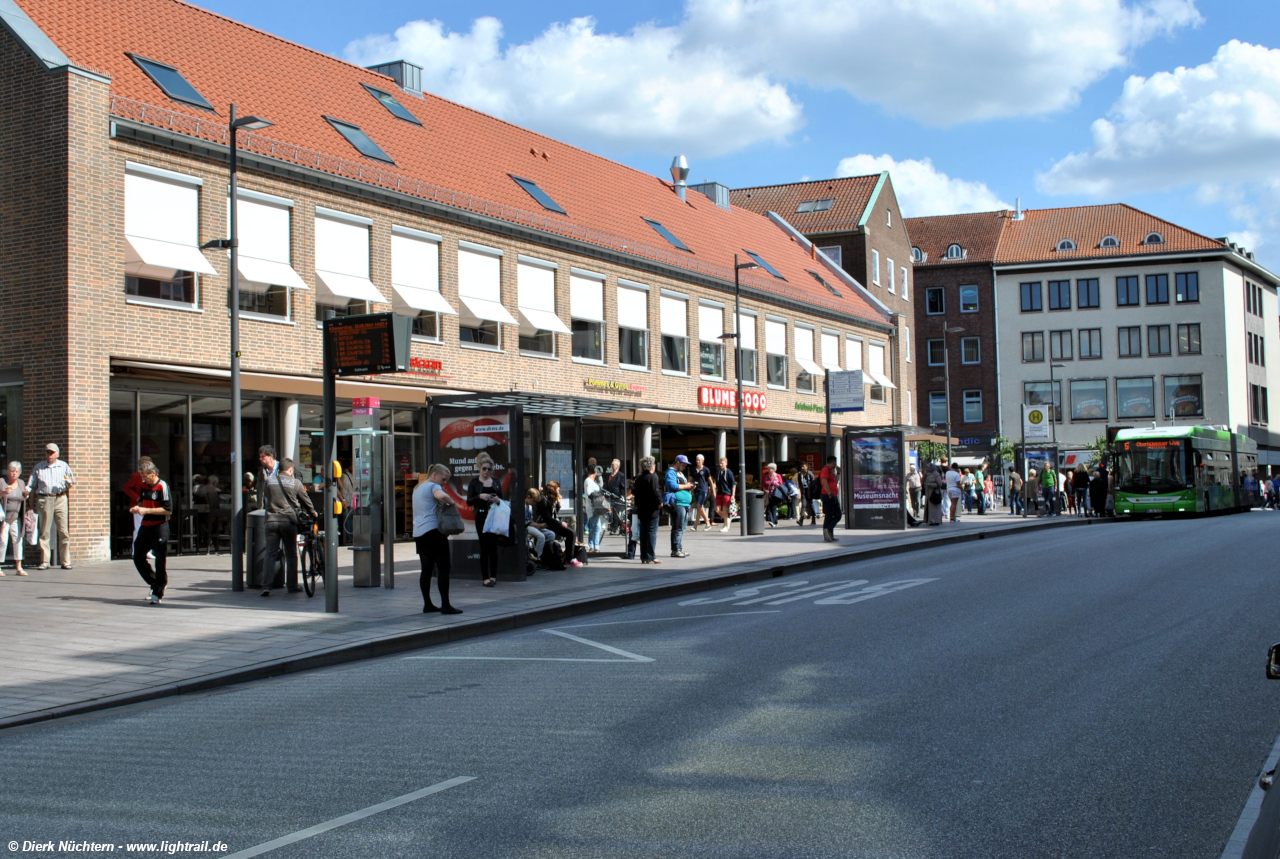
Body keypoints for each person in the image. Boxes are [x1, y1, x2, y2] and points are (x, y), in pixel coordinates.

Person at [256, 451, 316, 596]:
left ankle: (266, 586)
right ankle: (292, 586)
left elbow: (265, 497)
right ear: (290, 470)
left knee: (270, 554)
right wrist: (313, 513)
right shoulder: (296, 483)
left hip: (271, 520)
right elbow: (306, 501)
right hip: (288, 522)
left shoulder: (269, 481)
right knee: (291, 554)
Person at [413, 464, 462, 614]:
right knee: (444, 569)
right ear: (435, 475)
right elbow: (441, 496)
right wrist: (451, 502)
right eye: (443, 479)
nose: (444, 482)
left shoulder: (417, 488)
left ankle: (427, 604)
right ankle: (446, 605)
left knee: (426, 569)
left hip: (419, 533)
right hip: (434, 532)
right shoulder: (433, 486)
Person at [130, 462, 172, 604]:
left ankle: (158, 591)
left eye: (145, 475)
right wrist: (137, 507)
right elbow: (143, 502)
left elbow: (168, 509)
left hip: (159, 526)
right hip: (146, 525)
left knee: (160, 559)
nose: (143, 478)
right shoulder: (143, 486)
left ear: (153, 473)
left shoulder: (162, 486)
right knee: (138, 555)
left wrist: (146, 510)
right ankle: (154, 581)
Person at [28, 443, 75, 570]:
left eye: (52, 452)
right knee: (44, 531)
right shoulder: (39, 467)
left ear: (57, 454)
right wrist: (31, 502)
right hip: (44, 499)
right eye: (48, 452)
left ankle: (65, 561)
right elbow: (32, 485)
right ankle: (44, 561)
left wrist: (69, 484)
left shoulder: (63, 466)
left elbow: (72, 482)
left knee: (63, 530)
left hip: (60, 497)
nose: (50, 455)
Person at [467, 451, 505, 586]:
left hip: (494, 516)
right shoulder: (474, 483)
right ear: (479, 468)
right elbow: (469, 502)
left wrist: (497, 499)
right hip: (481, 516)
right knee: (484, 547)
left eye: (489, 469)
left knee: (493, 548)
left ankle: (494, 575)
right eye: (484, 468)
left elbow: (503, 499)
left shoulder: (495, 481)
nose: (487, 471)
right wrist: (480, 496)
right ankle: (485, 577)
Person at [537, 481, 582, 567]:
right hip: (546, 524)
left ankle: (568, 557)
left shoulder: (551, 500)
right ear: (553, 490)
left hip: (551, 523)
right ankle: (569, 558)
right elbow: (547, 517)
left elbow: (554, 514)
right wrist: (560, 523)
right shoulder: (544, 500)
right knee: (570, 533)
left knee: (571, 532)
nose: (558, 492)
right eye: (557, 490)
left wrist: (558, 504)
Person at [632, 456, 663, 564]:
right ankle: (651, 555)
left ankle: (644, 556)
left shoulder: (639, 478)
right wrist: (660, 502)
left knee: (643, 532)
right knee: (651, 532)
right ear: (651, 466)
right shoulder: (652, 477)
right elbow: (656, 491)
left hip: (641, 508)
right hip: (652, 509)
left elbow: (635, 493)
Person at [121, 456, 153, 552]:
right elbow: (126, 488)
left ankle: (148, 551)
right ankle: (136, 551)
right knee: (139, 527)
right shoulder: (136, 476)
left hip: (150, 505)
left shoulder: (153, 475)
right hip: (139, 505)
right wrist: (137, 497)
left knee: (151, 527)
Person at [665, 455, 694, 558]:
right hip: (678, 504)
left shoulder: (680, 473)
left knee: (682, 528)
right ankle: (675, 549)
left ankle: (679, 547)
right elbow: (672, 486)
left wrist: (689, 487)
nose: (685, 466)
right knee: (678, 527)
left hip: (684, 504)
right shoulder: (671, 472)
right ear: (677, 462)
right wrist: (686, 486)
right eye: (683, 464)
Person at [1, 462, 27, 576]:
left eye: (16, 471)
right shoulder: (2, 482)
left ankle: (19, 567)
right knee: (2, 541)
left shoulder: (21, 483)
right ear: (8, 472)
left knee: (18, 541)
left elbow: (23, 498)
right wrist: (3, 492)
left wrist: (26, 495)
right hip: (4, 519)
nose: (14, 473)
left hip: (16, 518)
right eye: (12, 471)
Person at [819, 455, 842, 542]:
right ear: (832, 462)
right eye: (835, 462)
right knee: (830, 515)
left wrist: (838, 473)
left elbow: (835, 481)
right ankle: (827, 530)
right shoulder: (825, 470)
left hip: (833, 495)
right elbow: (824, 482)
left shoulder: (831, 471)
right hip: (828, 495)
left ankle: (829, 532)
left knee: (837, 515)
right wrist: (829, 493)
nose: (835, 464)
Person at [689, 454, 714, 531]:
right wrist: (689, 487)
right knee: (700, 507)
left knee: (699, 506)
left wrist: (712, 490)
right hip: (696, 490)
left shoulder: (706, 470)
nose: (698, 461)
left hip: (703, 490)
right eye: (697, 460)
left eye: (699, 460)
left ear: (703, 461)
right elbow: (689, 479)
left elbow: (710, 481)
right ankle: (707, 524)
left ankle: (697, 525)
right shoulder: (693, 469)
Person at [583, 466, 606, 554]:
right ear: (595, 472)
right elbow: (589, 493)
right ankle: (595, 546)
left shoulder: (590, 481)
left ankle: (593, 545)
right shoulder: (588, 481)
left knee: (594, 526)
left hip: (594, 507)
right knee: (596, 527)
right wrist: (599, 496)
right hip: (593, 507)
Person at [714, 457, 736, 532]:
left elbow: (733, 484)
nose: (720, 465)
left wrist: (733, 494)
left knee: (724, 510)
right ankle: (728, 519)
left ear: (726, 463)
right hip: (719, 493)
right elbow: (717, 484)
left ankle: (726, 525)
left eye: (722, 463)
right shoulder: (719, 473)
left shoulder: (729, 472)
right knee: (717, 510)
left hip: (726, 493)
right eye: (720, 463)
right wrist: (715, 493)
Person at [761, 463, 784, 527]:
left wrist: (778, 485)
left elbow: (781, 484)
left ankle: (773, 521)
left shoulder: (778, 476)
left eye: (769, 468)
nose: (768, 469)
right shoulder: (766, 476)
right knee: (769, 507)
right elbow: (764, 485)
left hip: (775, 494)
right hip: (769, 494)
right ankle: (775, 521)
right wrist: (765, 490)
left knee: (773, 507)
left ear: (773, 469)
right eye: (768, 468)